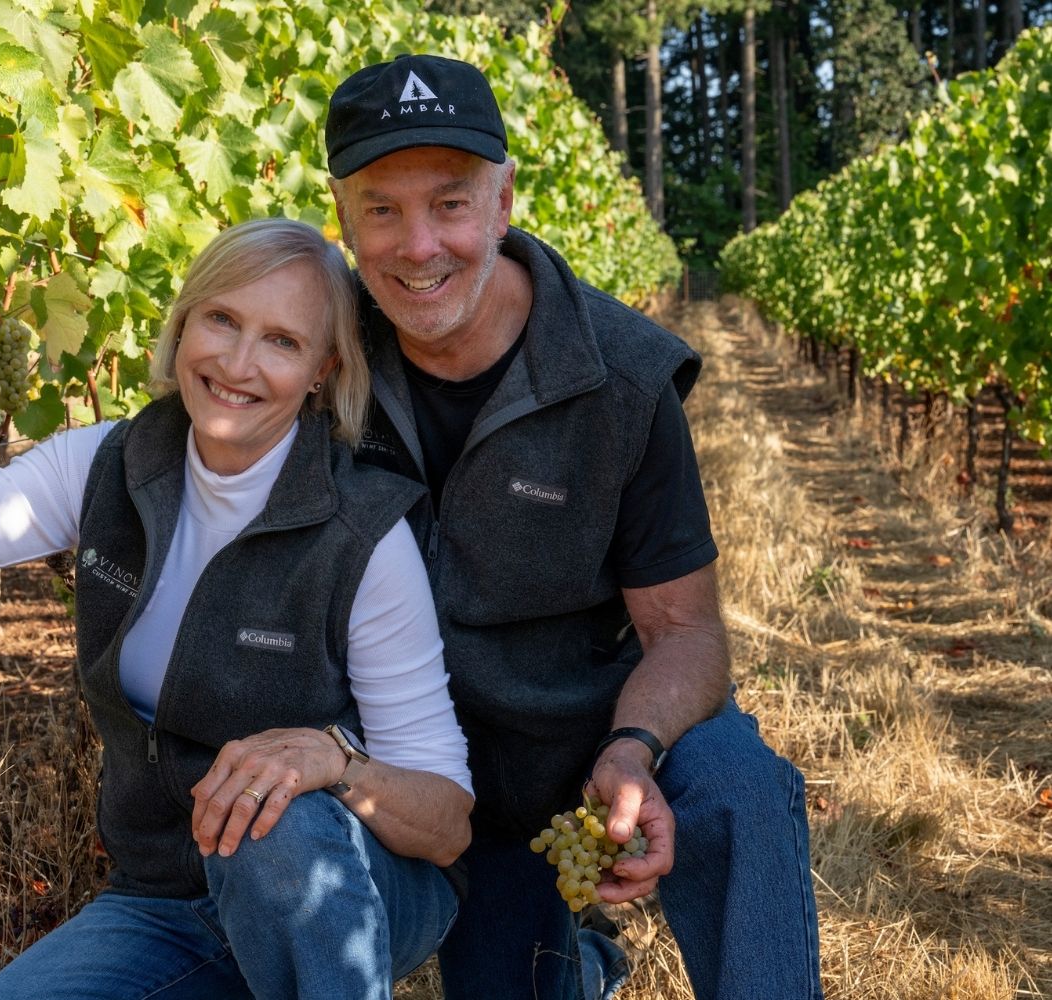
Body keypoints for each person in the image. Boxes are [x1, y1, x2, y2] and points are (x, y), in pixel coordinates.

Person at [0, 219, 474, 999]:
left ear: (322, 369)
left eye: (281, 341)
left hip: (346, 892)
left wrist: (334, 765)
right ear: (184, 322)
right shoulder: (110, 463)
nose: (238, 363)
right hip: (168, 897)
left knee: (277, 822)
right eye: (222, 320)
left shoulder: (361, 537)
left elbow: (446, 824)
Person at [322, 55, 823, 1000]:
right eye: (381, 208)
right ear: (342, 218)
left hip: (591, 742)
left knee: (743, 787)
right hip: (425, 766)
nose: (418, 245)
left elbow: (687, 632)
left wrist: (633, 748)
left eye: (451, 204)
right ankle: (580, 961)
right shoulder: (315, 356)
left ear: (505, 201)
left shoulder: (623, 379)